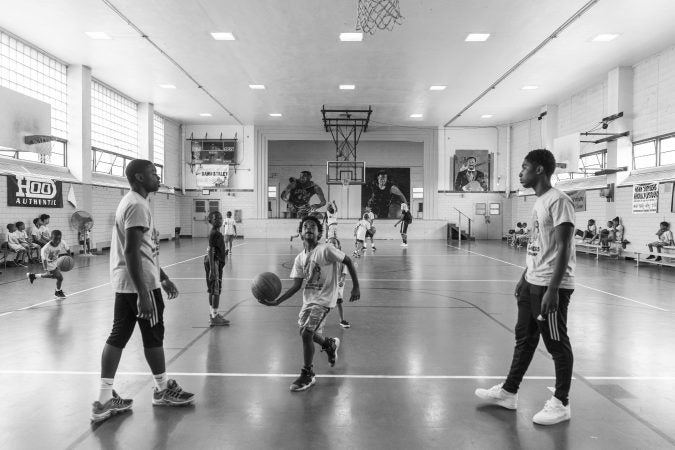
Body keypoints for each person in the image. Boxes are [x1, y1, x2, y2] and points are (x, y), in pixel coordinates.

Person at [475, 148, 576, 426]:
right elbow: (540, 247)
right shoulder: (539, 202)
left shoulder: (559, 201)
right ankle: (509, 392)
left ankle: (561, 403)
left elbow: (564, 247)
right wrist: (525, 276)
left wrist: (554, 290)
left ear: (540, 170)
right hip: (533, 281)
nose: (520, 173)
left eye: (524, 167)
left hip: (550, 285)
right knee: (525, 338)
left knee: (556, 343)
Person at [91, 159, 194, 424]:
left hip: (129, 282)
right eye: (152, 173)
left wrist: (164, 276)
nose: (157, 177)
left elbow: (145, 250)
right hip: (139, 285)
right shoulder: (136, 204)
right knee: (153, 336)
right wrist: (144, 293)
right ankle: (162, 390)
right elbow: (131, 252)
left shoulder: (135, 202)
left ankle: (104, 399)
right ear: (138, 177)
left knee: (118, 336)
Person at [258, 216, 360, 392]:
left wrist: (356, 286)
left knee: (306, 333)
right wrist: (277, 301)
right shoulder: (299, 258)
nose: (309, 228)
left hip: (325, 299)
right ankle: (329, 344)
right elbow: (296, 285)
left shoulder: (326, 249)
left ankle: (308, 374)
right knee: (305, 332)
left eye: (313, 226)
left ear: (319, 233)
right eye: (305, 226)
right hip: (309, 300)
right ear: (300, 233)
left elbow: (348, 261)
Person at [205, 210, 230, 326]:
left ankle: (213, 313)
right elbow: (210, 250)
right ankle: (214, 317)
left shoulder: (217, 233)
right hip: (213, 263)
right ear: (211, 221)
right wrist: (212, 269)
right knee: (216, 290)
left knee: (212, 289)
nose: (219, 220)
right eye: (216, 219)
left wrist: (223, 252)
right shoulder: (214, 233)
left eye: (220, 218)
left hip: (215, 262)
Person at [27, 230, 69, 298]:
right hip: (48, 264)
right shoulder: (45, 248)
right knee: (60, 278)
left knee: (54, 276)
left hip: (55, 262)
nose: (58, 241)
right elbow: (44, 260)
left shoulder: (62, 242)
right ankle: (58, 292)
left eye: (59, 239)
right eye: (55, 239)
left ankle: (33, 276)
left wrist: (69, 257)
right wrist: (46, 270)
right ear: (51, 238)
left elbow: (67, 248)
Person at [327, 237, 351, 328]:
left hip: (338, 283)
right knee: (326, 303)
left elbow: (344, 271)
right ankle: (318, 319)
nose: (332, 244)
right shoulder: (326, 257)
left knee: (339, 301)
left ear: (339, 246)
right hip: (328, 283)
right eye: (330, 243)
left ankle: (342, 320)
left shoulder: (342, 258)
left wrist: (342, 279)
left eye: (334, 243)